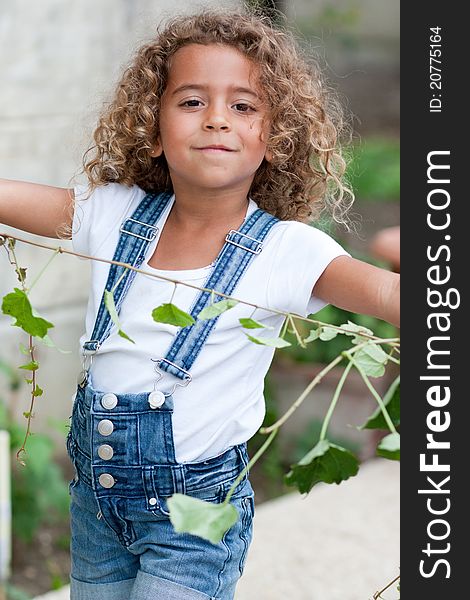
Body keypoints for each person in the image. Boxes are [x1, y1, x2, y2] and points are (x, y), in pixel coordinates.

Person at [0, 9, 399, 600]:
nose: (216, 118)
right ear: (153, 129)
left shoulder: (285, 250)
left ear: (276, 137)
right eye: (191, 102)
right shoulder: (113, 215)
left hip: (195, 521)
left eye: (243, 106)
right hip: (96, 505)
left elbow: (390, 294)